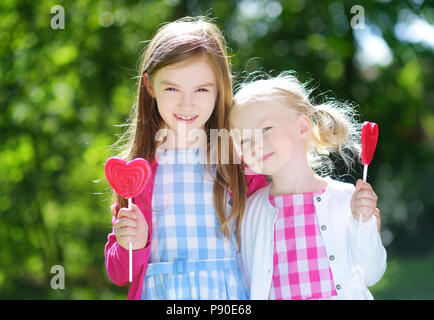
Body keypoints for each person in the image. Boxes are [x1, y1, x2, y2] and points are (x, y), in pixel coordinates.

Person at [104, 16, 268, 300]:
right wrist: (133, 244)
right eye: (172, 89)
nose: (187, 104)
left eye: (202, 89)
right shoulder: (136, 173)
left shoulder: (238, 163)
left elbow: (269, 232)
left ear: (220, 89)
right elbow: (120, 273)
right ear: (150, 86)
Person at [231, 73, 387, 300]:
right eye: (244, 139)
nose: (255, 144)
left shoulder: (346, 199)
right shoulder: (250, 211)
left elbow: (370, 274)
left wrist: (364, 225)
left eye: (266, 129)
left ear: (303, 128)